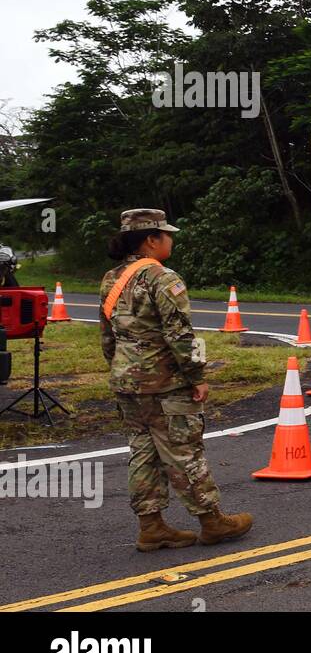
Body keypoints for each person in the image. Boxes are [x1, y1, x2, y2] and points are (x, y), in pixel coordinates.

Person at [99, 209, 252, 552]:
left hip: (126, 382)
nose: (171, 239)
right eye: (167, 234)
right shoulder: (163, 277)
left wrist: (121, 368)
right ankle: (212, 521)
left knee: (143, 452)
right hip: (164, 383)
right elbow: (180, 334)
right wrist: (196, 376)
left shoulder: (112, 278)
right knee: (184, 450)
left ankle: (151, 527)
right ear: (152, 240)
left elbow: (107, 335)